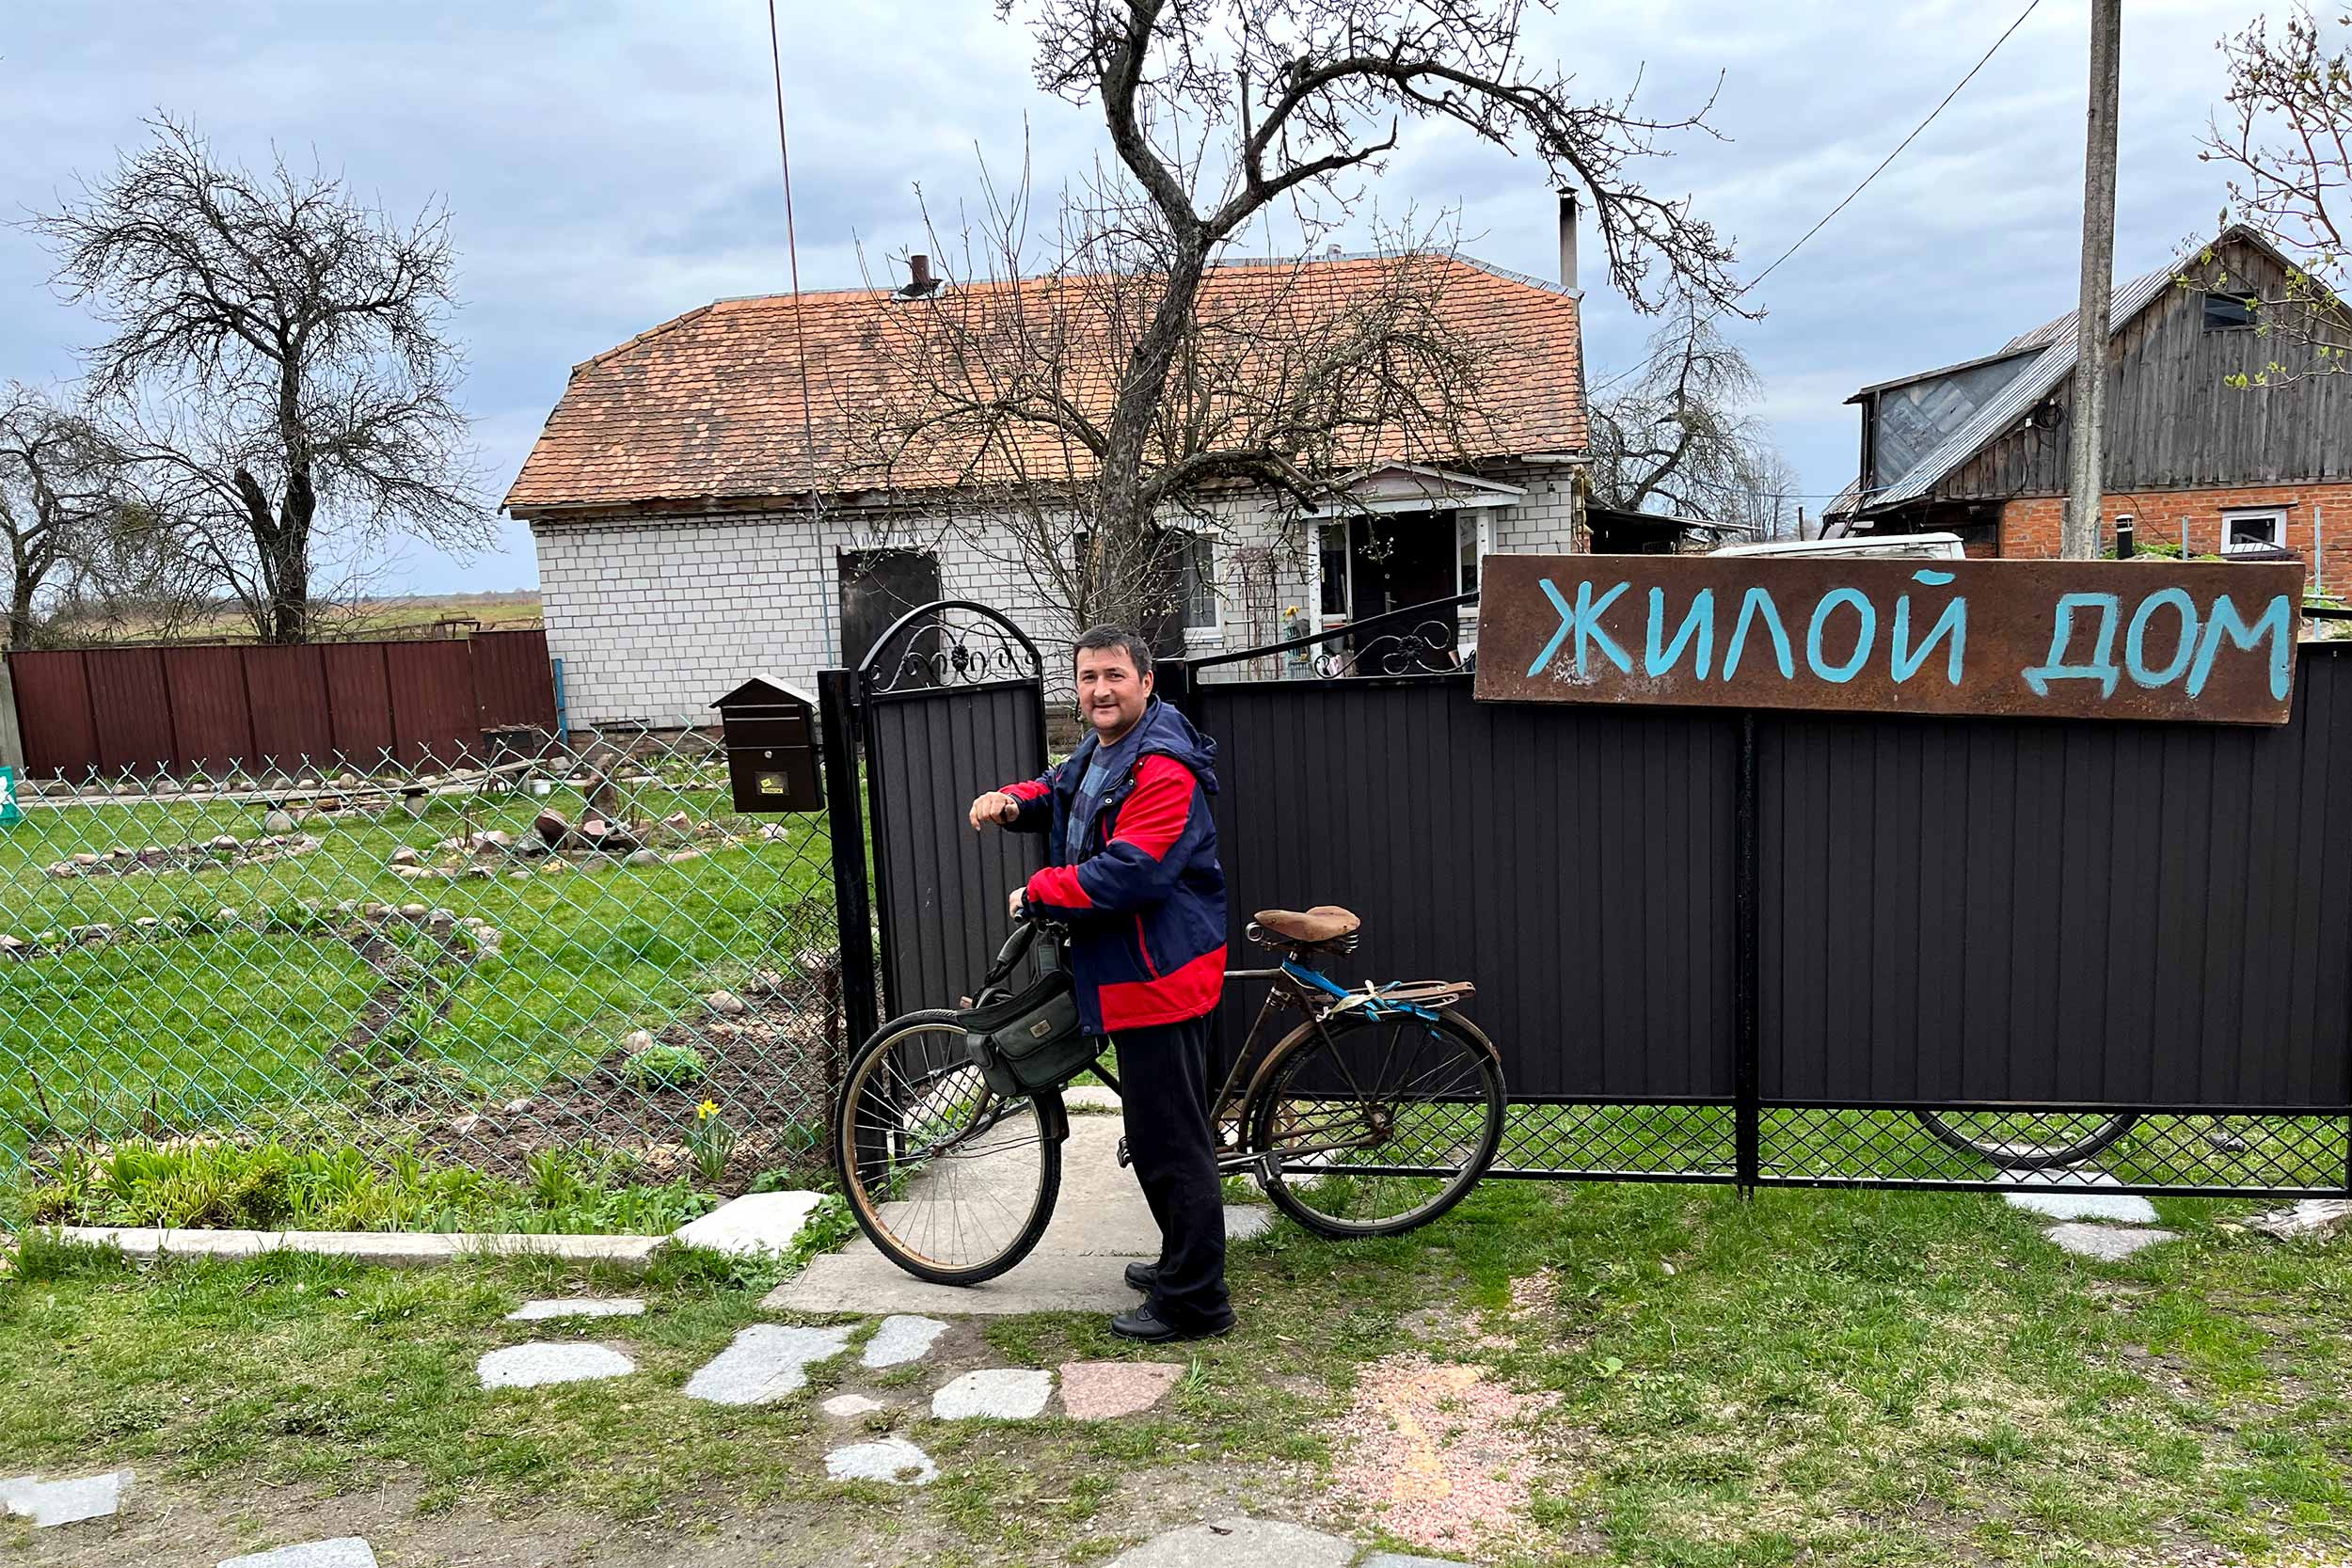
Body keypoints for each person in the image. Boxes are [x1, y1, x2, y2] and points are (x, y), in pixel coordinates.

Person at [965, 624, 1233, 1341]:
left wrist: (1041, 890)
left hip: (1160, 976)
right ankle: (1180, 1261)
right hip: (1135, 974)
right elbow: (1061, 789)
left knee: (1170, 1142)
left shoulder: (1163, 768)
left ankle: (1196, 1300)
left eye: (1114, 675)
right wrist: (1015, 801)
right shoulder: (1107, 749)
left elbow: (1134, 873)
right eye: (1088, 677)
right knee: (1158, 1135)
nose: (1100, 690)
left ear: (1146, 682)